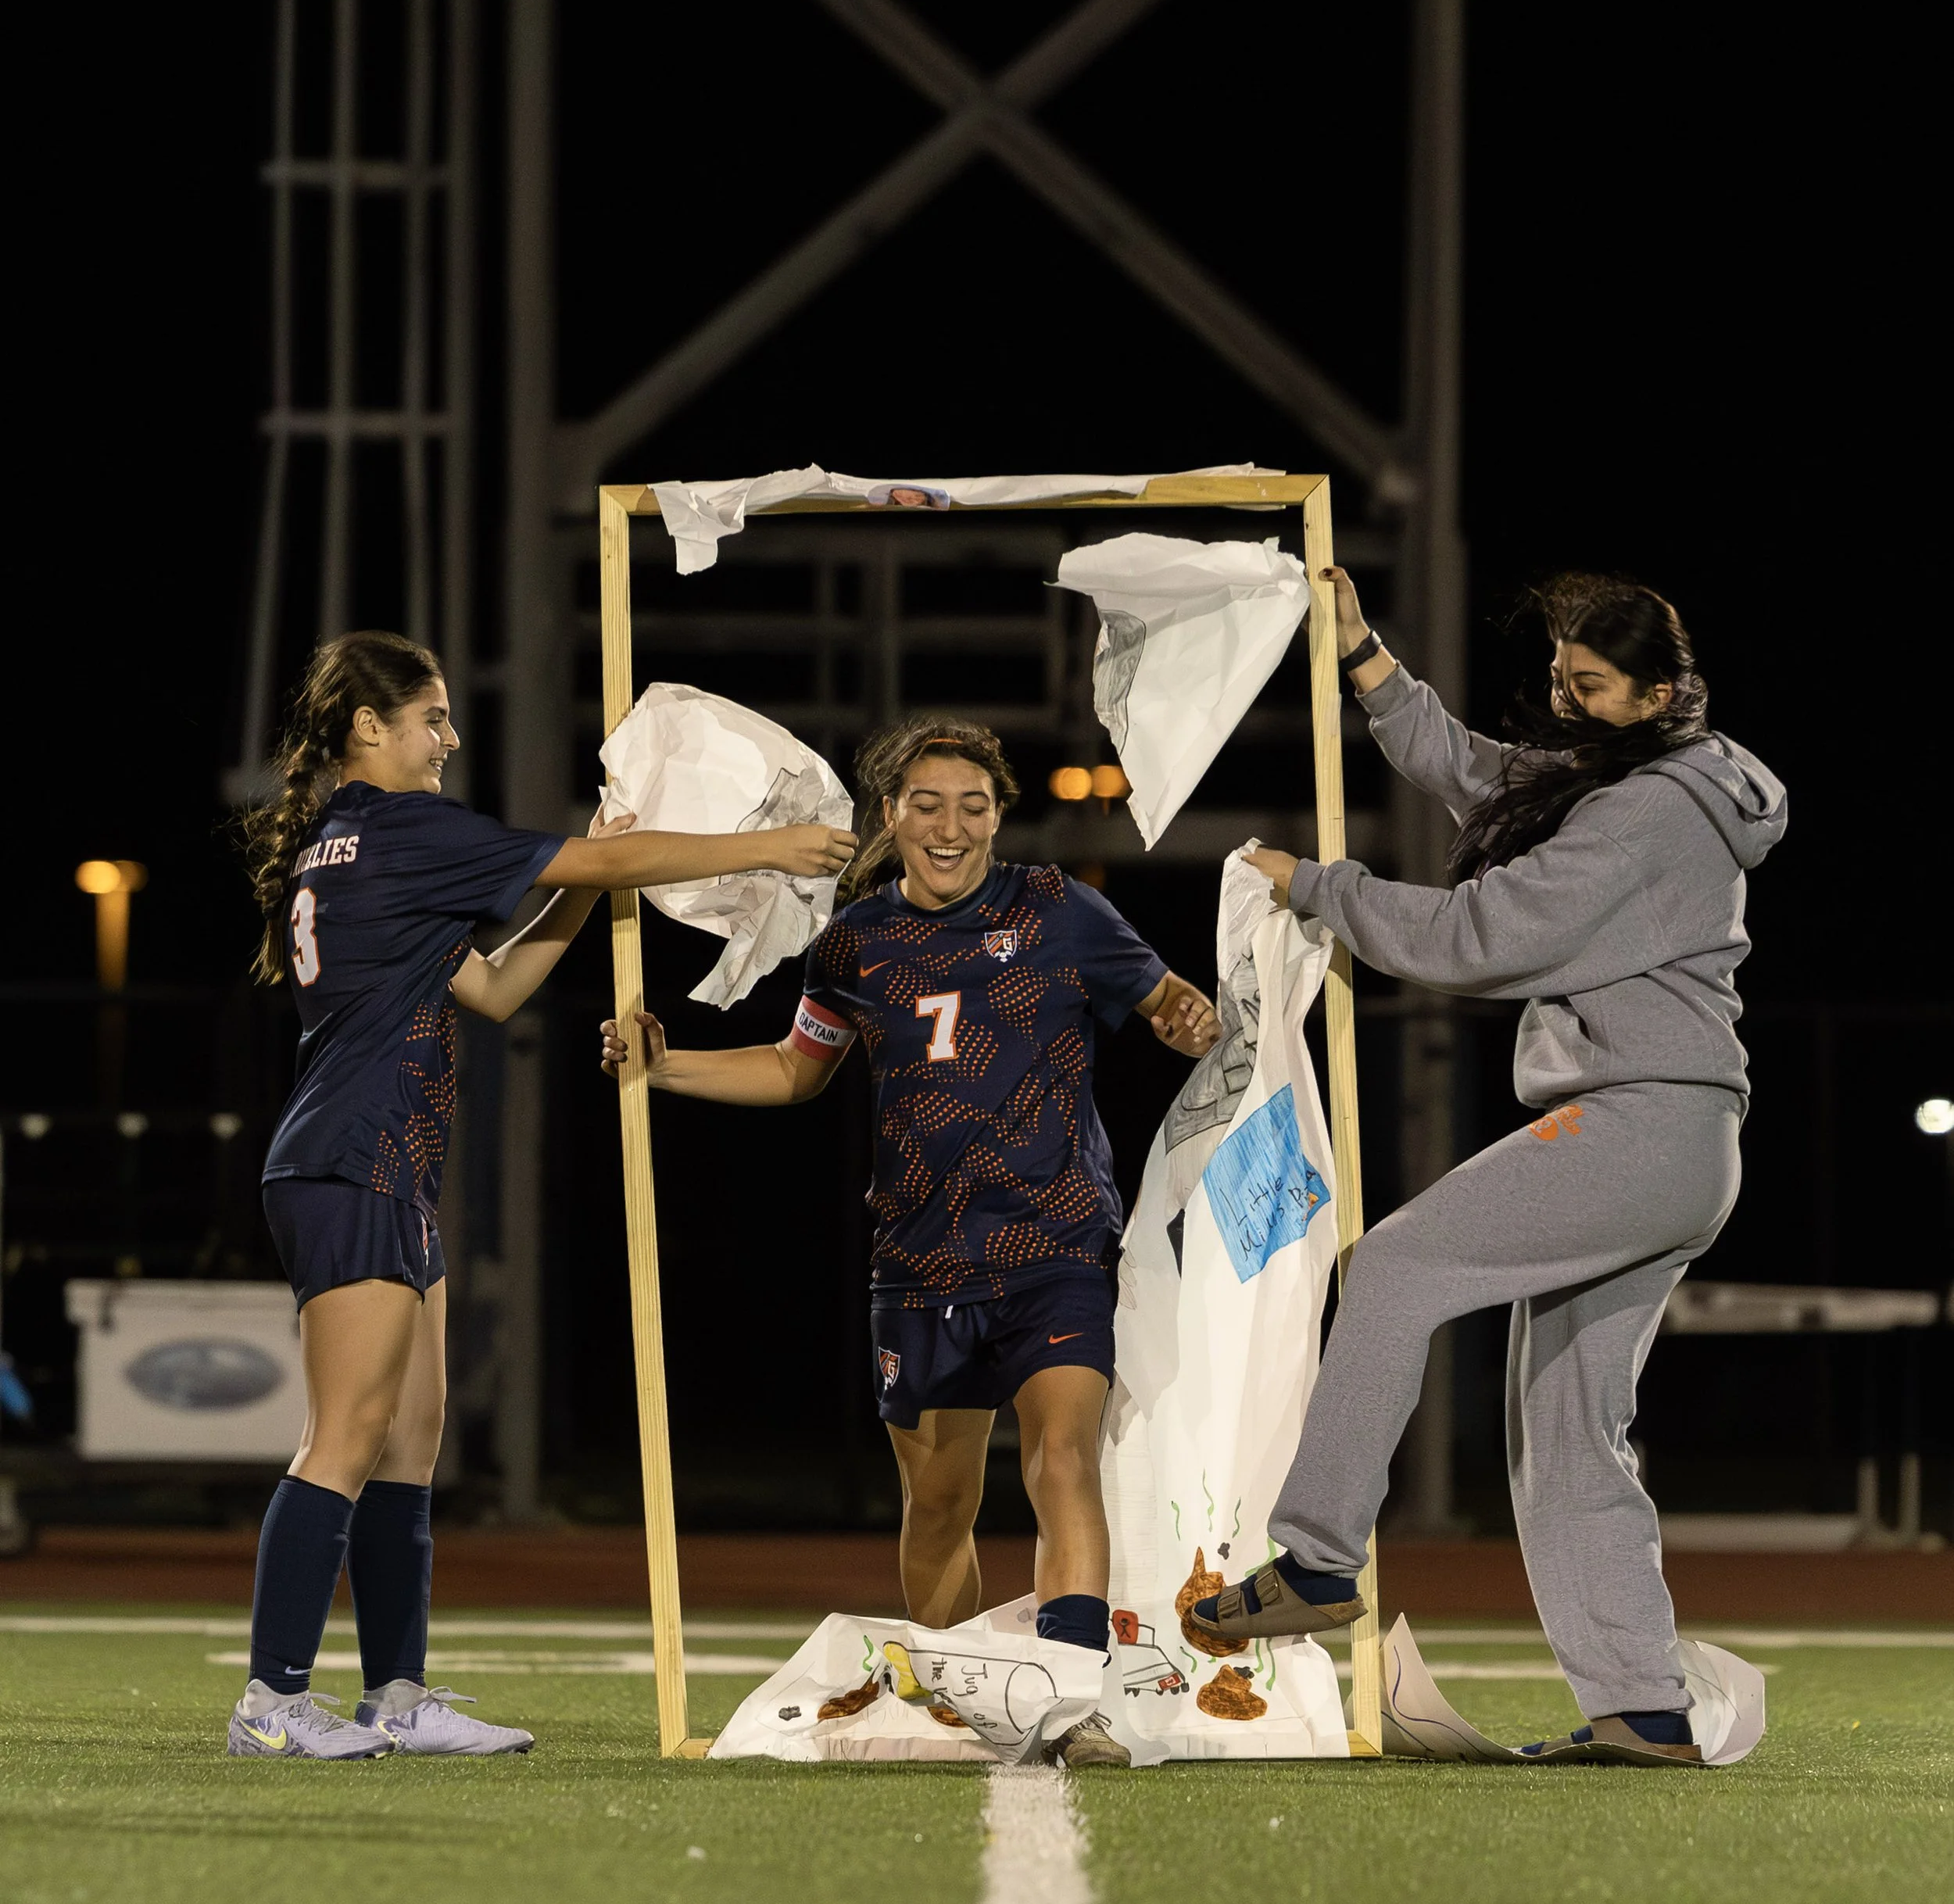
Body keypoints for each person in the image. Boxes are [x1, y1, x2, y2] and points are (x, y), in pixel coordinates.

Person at [1194, 567, 1787, 1767]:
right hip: (1676, 1132)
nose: (1563, 704)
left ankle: (1314, 1557)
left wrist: (1318, 887)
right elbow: (1478, 771)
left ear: (1661, 694)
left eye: (1589, 684)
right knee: (1571, 1431)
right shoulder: (1628, 772)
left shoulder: (1649, 812)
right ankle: (1644, 1705)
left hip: (1638, 1124)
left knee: (1399, 1263)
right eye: (1558, 678)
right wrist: (1368, 662)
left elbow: (1483, 935)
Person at [230, 629, 854, 1763]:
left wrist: (583, 880)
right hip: (352, 1155)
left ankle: (397, 1695)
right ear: (369, 730)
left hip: (384, 1162)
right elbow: (597, 866)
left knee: (411, 1445)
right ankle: (271, 1701)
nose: (450, 738)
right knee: (347, 1437)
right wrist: (773, 843)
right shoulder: (402, 825)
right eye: (433, 718)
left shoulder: (350, 842)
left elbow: (499, 985)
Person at [601, 716, 1220, 1770]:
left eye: (973, 805)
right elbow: (799, 1070)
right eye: (927, 804)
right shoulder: (855, 942)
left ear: (998, 815)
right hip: (922, 1265)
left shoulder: (1060, 910)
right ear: (890, 815)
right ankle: (971, 1692)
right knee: (941, 1507)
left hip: (1054, 1242)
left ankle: (1070, 1694)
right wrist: (664, 1068)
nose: (950, 824)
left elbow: (1164, 1000)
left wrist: (1184, 1013)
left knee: (1065, 1461)